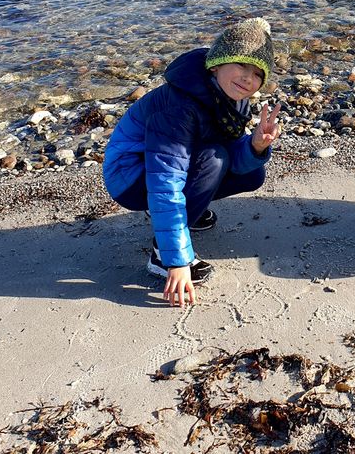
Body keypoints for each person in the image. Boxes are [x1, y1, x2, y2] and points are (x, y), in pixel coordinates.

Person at [102, 17, 282, 307]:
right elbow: (164, 180)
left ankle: (187, 215)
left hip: (169, 166)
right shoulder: (180, 106)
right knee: (215, 159)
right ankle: (161, 254)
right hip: (130, 176)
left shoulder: (230, 96)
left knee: (252, 172)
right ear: (216, 64)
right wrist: (177, 261)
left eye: (257, 72)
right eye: (241, 65)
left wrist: (256, 146)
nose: (248, 78)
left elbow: (230, 155)